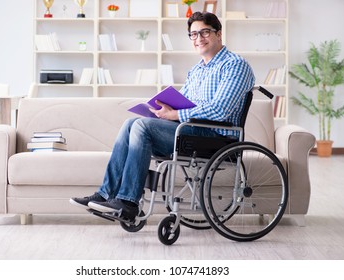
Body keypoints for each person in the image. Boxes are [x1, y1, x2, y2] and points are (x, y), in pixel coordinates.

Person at [70, 11, 255, 221]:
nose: (198, 39)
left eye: (204, 32)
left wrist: (175, 113)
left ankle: (129, 202)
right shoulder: (197, 70)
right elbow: (183, 103)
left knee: (142, 127)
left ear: (219, 34)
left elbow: (221, 109)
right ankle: (106, 194)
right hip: (189, 132)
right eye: (193, 35)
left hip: (216, 139)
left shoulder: (235, 65)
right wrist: (162, 111)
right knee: (132, 123)